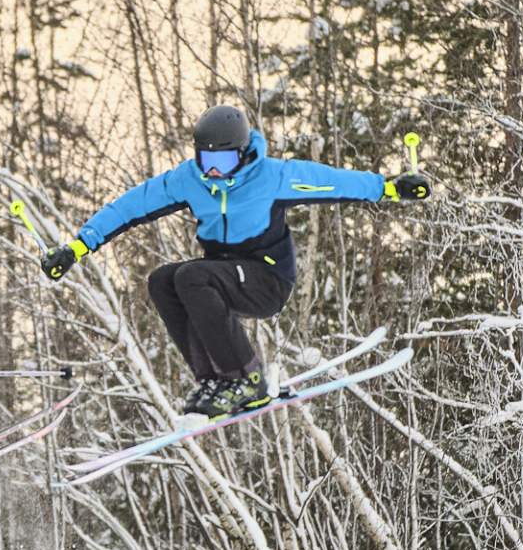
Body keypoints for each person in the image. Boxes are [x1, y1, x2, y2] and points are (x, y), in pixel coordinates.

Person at [41, 105, 429, 418]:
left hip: (267, 279)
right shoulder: (189, 180)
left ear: (242, 154)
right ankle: (215, 379)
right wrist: (77, 247)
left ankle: (245, 379)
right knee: (162, 279)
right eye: (206, 159)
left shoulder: (272, 177)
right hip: (223, 277)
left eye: (223, 162)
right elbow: (130, 206)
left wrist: (391, 189)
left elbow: (334, 182)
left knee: (193, 276)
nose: (213, 170)